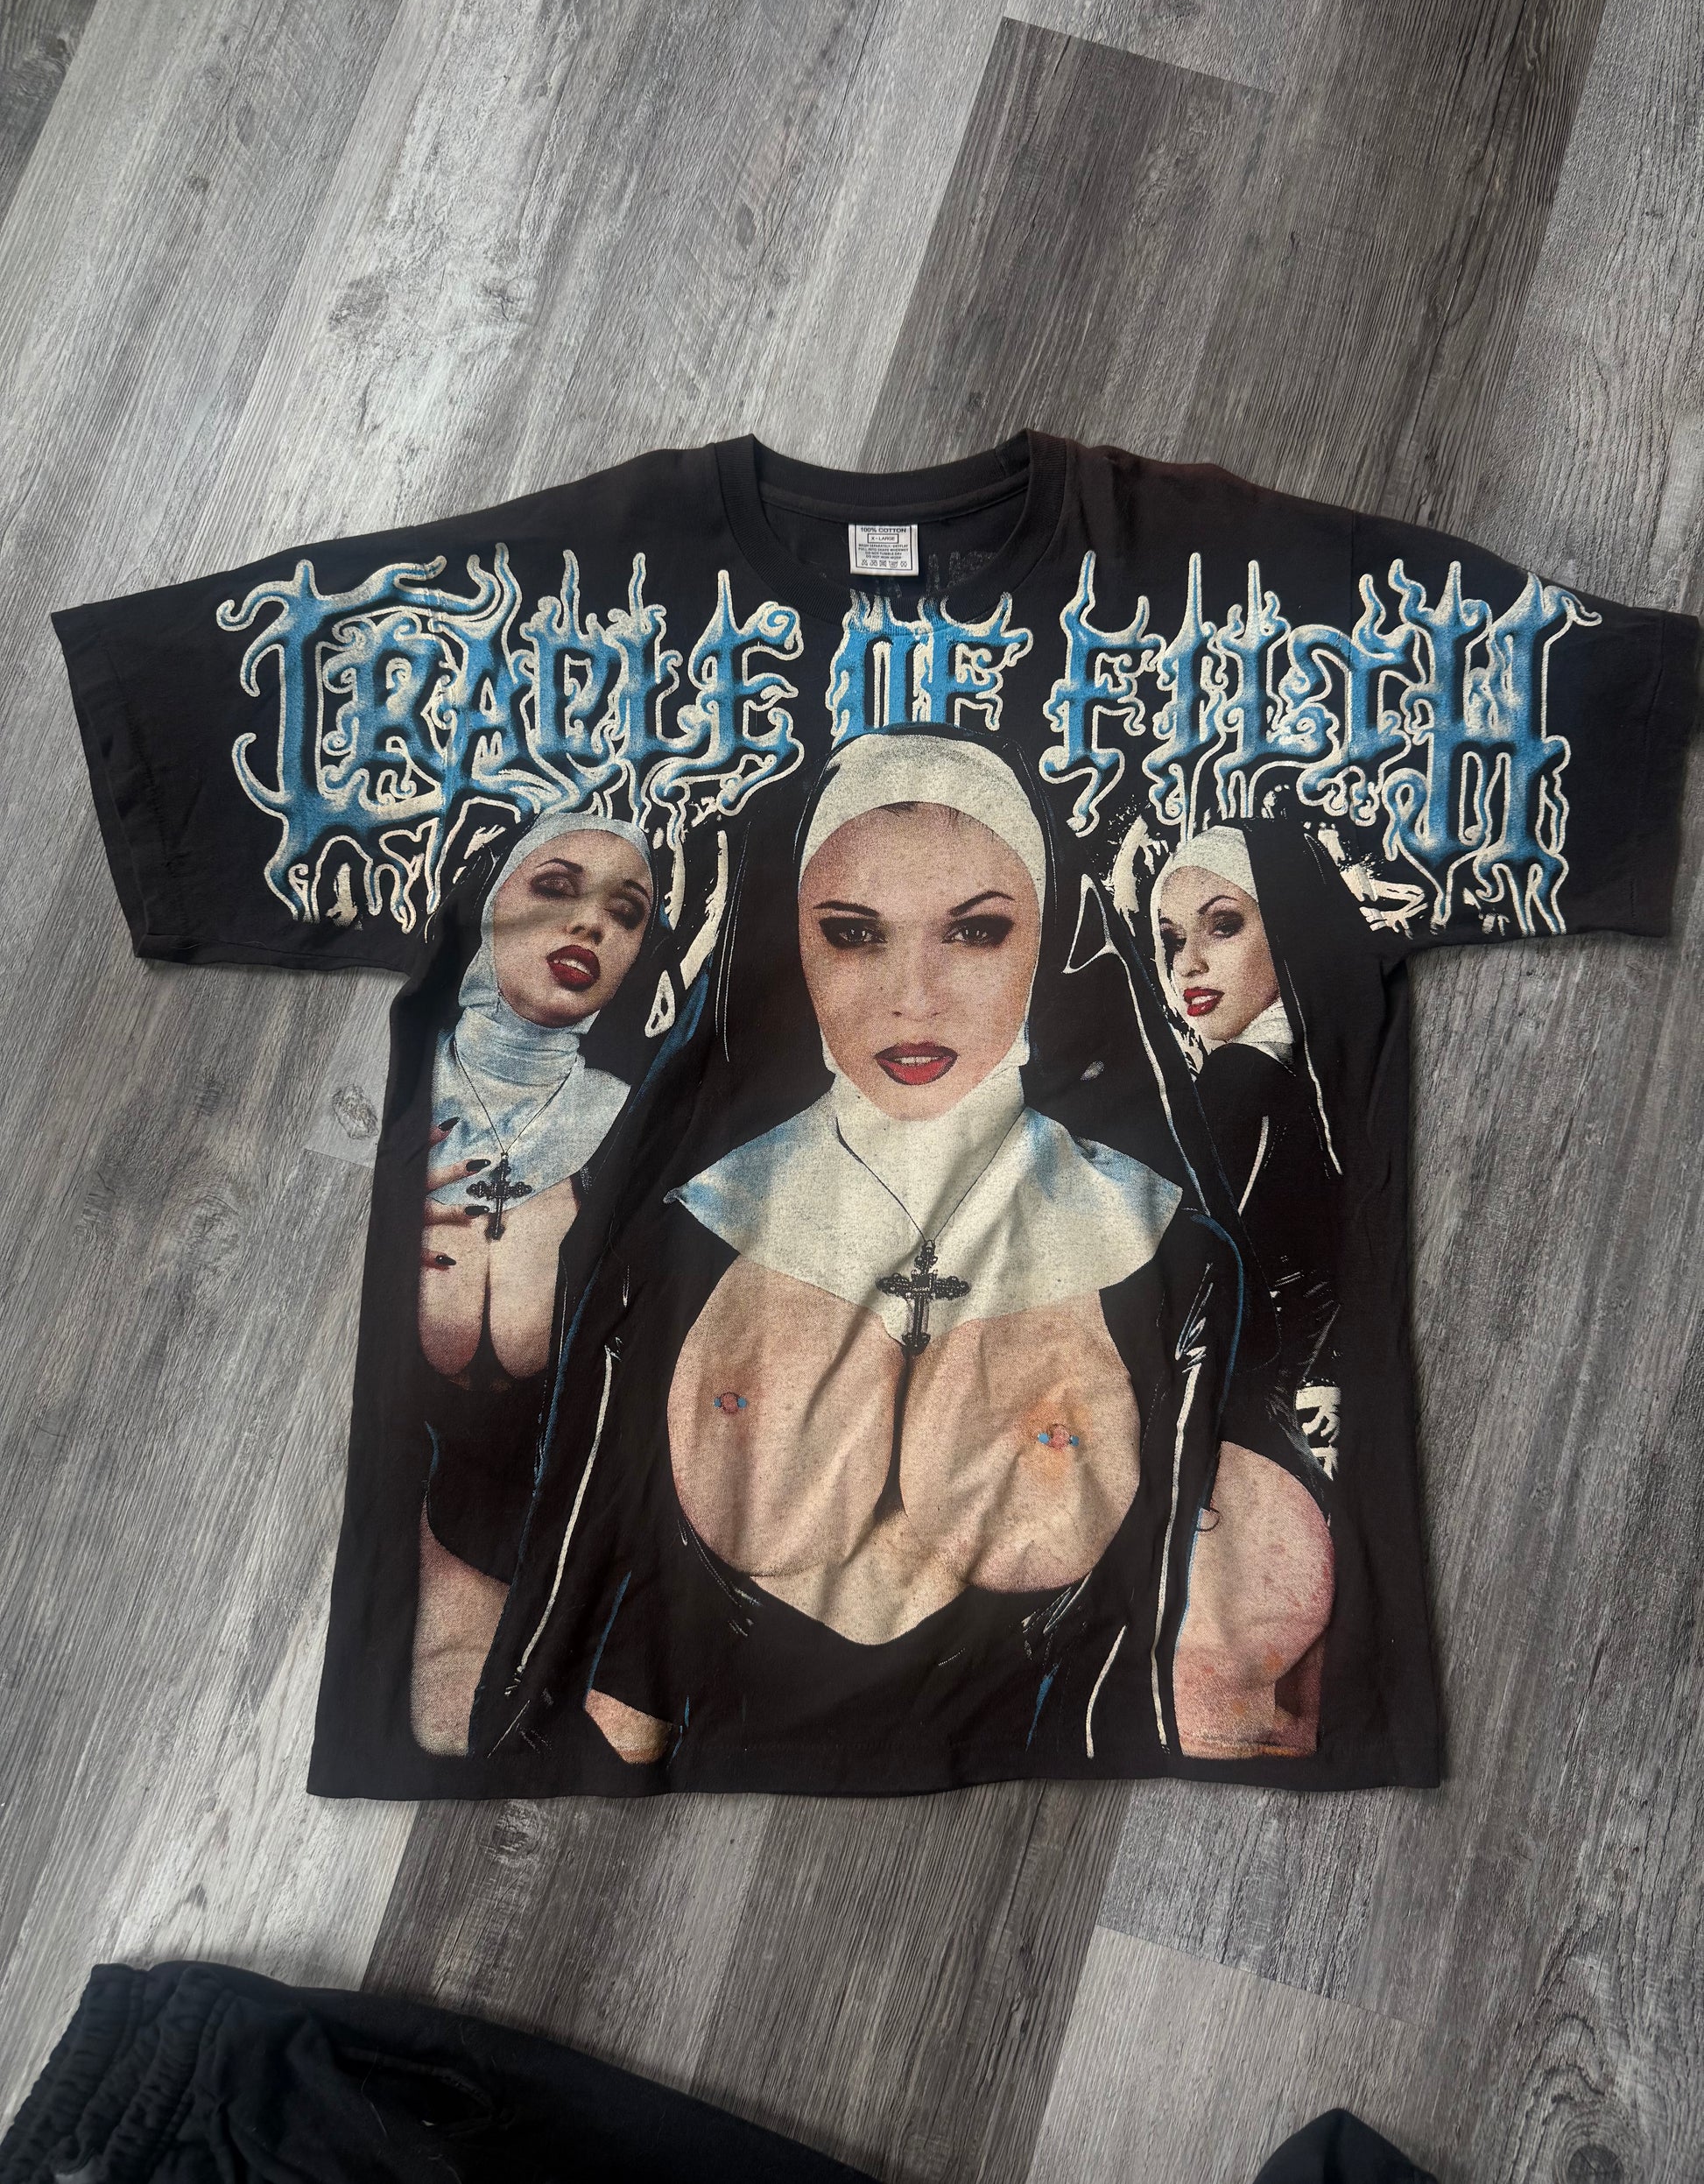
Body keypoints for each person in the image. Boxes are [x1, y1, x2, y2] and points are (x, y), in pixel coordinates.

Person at [517, 729, 1255, 1784]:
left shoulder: (1163, 1246)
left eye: (977, 932)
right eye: (854, 935)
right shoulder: (688, 1229)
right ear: (794, 945)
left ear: (1048, 940)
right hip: (683, 1762)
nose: (913, 996)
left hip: (1048, 1777)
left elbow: (1179, 1597)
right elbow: (575, 1538)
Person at [410, 807, 658, 1755]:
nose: (590, 922)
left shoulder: (633, 1128)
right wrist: (375, 1200)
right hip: (421, 1535)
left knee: (621, 1746)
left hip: (590, 1533)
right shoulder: (389, 1104)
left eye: (626, 914)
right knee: (445, 1734)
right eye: (555, 888)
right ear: (487, 903)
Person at [1148, 820, 1363, 1756]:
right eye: (1169, 940)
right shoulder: (1319, 1084)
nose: (1188, 963)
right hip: (1313, 1464)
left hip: (1239, 1466)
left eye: (1222, 924)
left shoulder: (1237, 1083)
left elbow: (1180, 1287)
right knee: (1299, 1725)